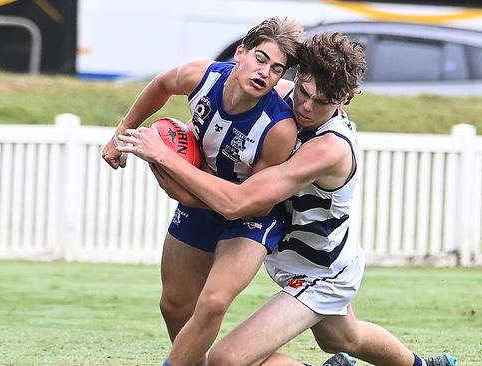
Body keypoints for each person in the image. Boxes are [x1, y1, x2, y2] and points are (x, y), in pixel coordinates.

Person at [118, 32, 456, 366]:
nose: (306, 107)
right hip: (288, 252)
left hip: (321, 271)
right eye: (304, 92)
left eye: (321, 102)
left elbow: (239, 203)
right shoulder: (280, 93)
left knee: (226, 359)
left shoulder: (328, 149)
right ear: (298, 77)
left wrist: (165, 157)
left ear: (342, 102)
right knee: (343, 338)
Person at [102, 17, 303, 366]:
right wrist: (122, 132)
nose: (264, 72)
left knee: (212, 303)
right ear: (240, 53)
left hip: (251, 217)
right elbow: (162, 84)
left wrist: (179, 183)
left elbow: (246, 205)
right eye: (259, 58)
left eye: (275, 69)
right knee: (175, 304)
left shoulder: (278, 128)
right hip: (201, 197)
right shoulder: (202, 75)